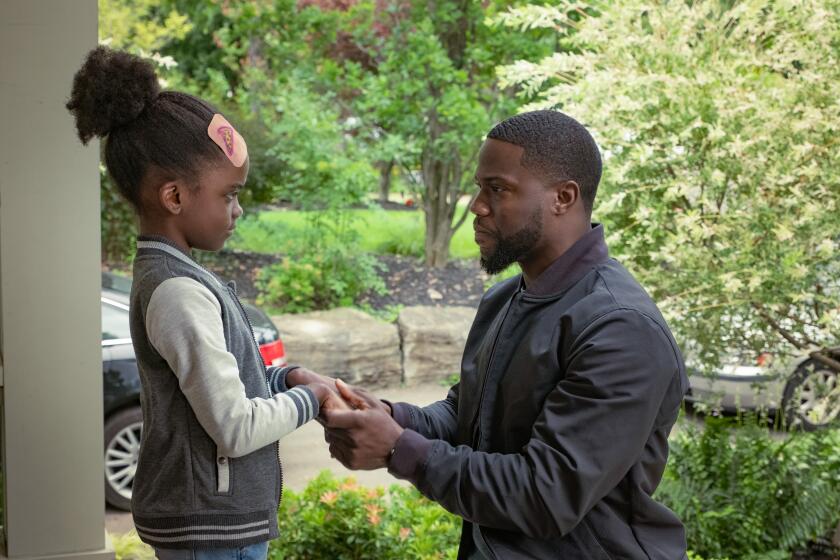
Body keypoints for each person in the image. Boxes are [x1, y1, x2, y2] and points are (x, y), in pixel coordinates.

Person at [322, 110, 690, 559]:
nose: (477, 205)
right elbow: (469, 415)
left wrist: (400, 449)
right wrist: (387, 414)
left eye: (497, 189)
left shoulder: (620, 328)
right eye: (480, 187)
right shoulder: (506, 299)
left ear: (564, 197)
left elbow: (546, 495)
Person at [66, 47, 344, 559]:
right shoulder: (177, 292)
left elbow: (216, 391)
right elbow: (235, 428)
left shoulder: (180, 277)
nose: (238, 210)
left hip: (212, 525)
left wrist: (287, 380)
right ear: (174, 197)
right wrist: (315, 400)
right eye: (229, 195)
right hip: (210, 533)